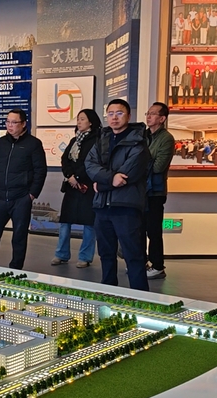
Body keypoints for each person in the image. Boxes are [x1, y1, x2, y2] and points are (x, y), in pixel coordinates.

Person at [85, 99, 151, 291]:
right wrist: (109, 178)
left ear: (128, 116)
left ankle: (140, 297)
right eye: (111, 113)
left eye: (119, 113)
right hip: (102, 207)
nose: (114, 117)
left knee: (133, 255)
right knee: (106, 254)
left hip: (126, 207)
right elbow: (90, 165)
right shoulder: (102, 139)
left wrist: (101, 183)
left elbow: (127, 174)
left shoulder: (138, 142)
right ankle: (109, 291)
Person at [0, 109, 46, 270]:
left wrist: (32, 194)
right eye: (7, 122)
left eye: (14, 122)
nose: (10, 125)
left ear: (23, 124)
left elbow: (40, 171)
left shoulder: (33, 144)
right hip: (0, 196)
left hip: (21, 197)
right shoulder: (1, 143)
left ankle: (15, 269)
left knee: (19, 236)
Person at [52, 109, 100, 268]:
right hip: (71, 187)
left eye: (82, 119)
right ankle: (61, 254)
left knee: (89, 223)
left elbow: (90, 162)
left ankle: (85, 257)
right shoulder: (74, 140)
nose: (79, 122)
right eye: (78, 119)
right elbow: (65, 160)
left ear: (91, 122)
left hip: (87, 186)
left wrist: (77, 177)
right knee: (65, 221)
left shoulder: (97, 140)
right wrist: (70, 176)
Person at [143, 102, 175, 279]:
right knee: (138, 228)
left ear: (162, 118)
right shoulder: (143, 135)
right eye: (148, 113)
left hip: (155, 191)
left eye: (153, 114)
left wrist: (139, 161)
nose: (149, 116)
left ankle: (157, 266)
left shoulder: (166, 138)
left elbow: (158, 167)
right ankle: (141, 262)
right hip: (140, 190)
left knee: (153, 231)